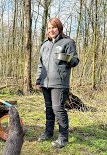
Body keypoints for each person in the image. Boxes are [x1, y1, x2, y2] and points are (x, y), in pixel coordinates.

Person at [35, 18, 80, 148]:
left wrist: (68, 58)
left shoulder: (68, 42)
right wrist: (38, 80)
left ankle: (63, 137)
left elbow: (76, 61)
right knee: (48, 109)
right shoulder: (44, 45)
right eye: (49, 28)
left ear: (59, 28)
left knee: (58, 109)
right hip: (45, 82)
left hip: (59, 83)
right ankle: (48, 133)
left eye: (53, 27)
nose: (51, 30)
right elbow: (40, 65)